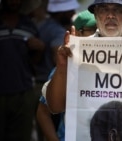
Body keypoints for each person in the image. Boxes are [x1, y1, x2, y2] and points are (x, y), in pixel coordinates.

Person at [0, 0, 45, 141]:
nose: (14, 1)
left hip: (23, 93)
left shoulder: (29, 25)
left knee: (21, 136)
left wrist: (40, 49)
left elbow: (34, 61)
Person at [36, 9, 97, 141]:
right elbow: (43, 112)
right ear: (78, 34)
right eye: (93, 29)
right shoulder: (65, 69)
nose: (98, 34)